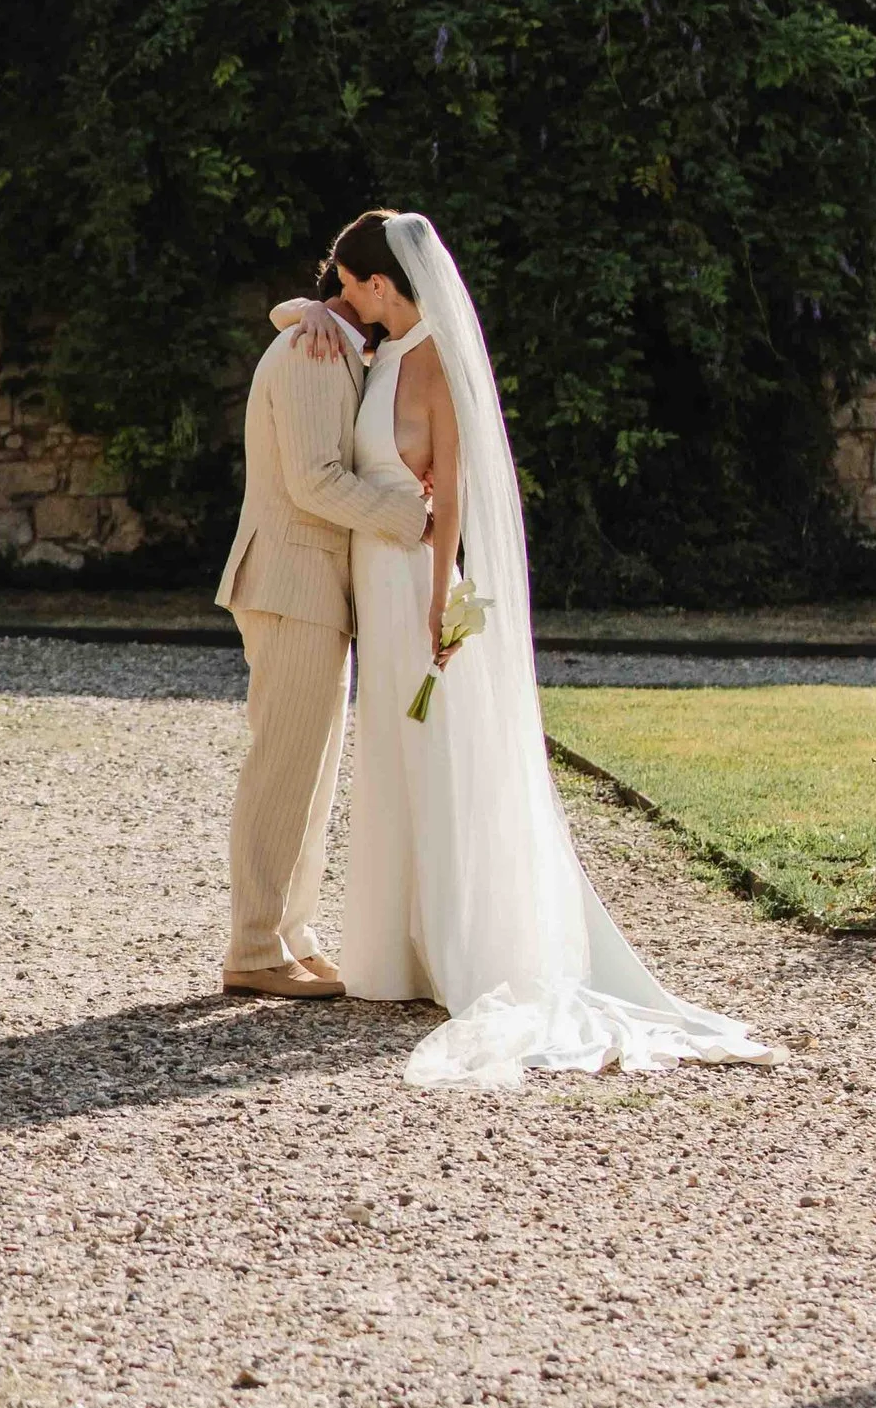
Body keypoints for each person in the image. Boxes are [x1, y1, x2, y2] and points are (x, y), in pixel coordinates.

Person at [278, 207, 778, 1091]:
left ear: (383, 284)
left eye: (349, 285)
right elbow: (298, 316)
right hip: (377, 589)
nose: (341, 298)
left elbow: (456, 497)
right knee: (393, 758)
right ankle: (401, 952)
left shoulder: (431, 361)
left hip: (414, 590)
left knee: (438, 758)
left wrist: (442, 603)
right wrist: (311, 311)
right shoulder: (377, 349)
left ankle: (461, 946)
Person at [214, 251, 430, 996]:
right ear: (363, 285)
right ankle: (251, 947)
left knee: (312, 776)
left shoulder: (325, 336)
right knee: (283, 770)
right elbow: (312, 479)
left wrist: (300, 308)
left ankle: (290, 933)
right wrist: (406, 518)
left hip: (313, 587)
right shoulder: (311, 350)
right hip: (290, 579)